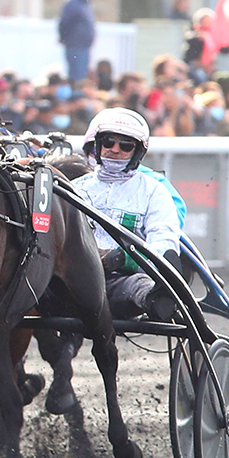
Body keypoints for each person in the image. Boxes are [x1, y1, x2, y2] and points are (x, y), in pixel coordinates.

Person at [72, 108, 180, 321]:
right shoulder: (74, 189)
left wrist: (124, 260)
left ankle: (157, 299)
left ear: (137, 152)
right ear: (98, 145)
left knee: (138, 285)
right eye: (109, 142)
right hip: (74, 280)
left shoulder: (154, 191)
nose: (114, 149)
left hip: (121, 283)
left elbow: (163, 241)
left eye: (125, 145)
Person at [58, 0, 97, 82]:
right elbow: (64, 22)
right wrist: (65, 38)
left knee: (82, 75)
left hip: (84, 46)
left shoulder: (85, 3)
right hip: (75, 46)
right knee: (77, 77)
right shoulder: (73, 3)